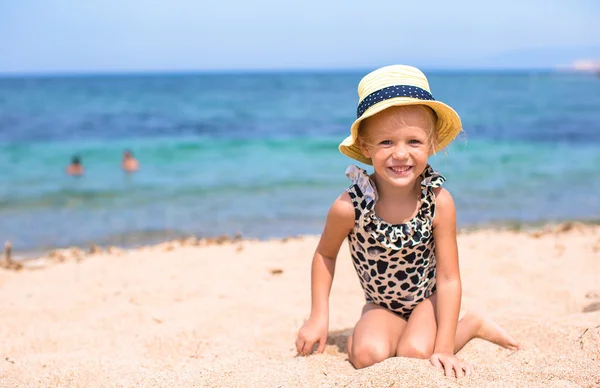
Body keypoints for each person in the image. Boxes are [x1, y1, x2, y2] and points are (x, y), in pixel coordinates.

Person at [295, 65, 520, 378]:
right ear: (365, 146)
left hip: (429, 300)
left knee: (417, 353)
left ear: (430, 144)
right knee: (366, 355)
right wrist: (319, 316)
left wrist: (443, 347)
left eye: (413, 142)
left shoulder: (439, 203)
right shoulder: (350, 207)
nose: (400, 154)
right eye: (386, 142)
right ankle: (400, 332)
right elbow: (325, 254)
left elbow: (449, 279)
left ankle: (469, 325)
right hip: (381, 304)